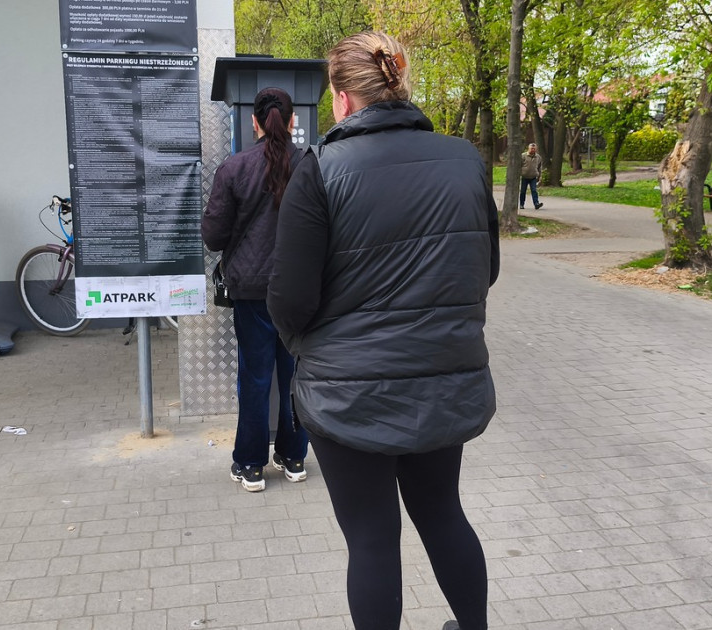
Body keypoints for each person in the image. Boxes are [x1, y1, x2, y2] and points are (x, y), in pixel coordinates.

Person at [268, 32, 498, 630]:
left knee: (371, 538)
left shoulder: (320, 169)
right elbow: (486, 269)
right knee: (444, 513)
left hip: (349, 391)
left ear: (341, 99)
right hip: (445, 377)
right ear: (402, 83)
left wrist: (306, 349)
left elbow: (290, 300)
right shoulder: (467, 160)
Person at [202, 87, 308, 493]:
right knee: (295, 375)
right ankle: (295, 456)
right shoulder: (310, 167)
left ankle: (250, 465)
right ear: (293, 120)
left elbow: (213, 237)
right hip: (299, 292)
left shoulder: (234, 168)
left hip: (251, 292)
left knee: (255, 377)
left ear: (255, 122)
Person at [520, 142, 543, 210]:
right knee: (523, 191)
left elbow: (539, 167)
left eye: (534, 148)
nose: (533, 150)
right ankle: (521, 204)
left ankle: (536, 204)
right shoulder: (523, 156)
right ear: (528, 149)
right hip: (524, 177)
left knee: (534, 190)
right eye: (531, 148)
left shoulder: (538, 157)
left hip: (533, 177)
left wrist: (539, 175)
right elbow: (519, 165)